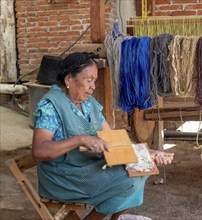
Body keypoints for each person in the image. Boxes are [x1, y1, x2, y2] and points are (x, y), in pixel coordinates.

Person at [32, 52, 174, 220]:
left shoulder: (88, 103)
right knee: (130, 179)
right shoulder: (51, 106)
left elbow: (113, 139)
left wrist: (148, 153)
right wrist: (80, 139)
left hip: (86, 165)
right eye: (89, 80)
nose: (93, 86)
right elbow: (39, 151)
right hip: (63, 177)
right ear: (69, 79)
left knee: (141, 168)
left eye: (95, 81)